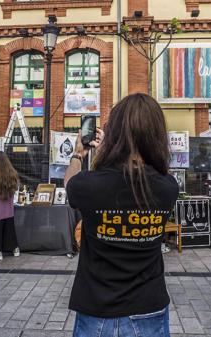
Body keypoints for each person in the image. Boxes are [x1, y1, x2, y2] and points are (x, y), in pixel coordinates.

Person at [64, 93, 179, 337]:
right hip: (149, 307)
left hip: (96, 308)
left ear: (114, 133)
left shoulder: (90, 185)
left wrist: (78, 155)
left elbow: (70, 184)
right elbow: (136, 177)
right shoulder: (168, 187)